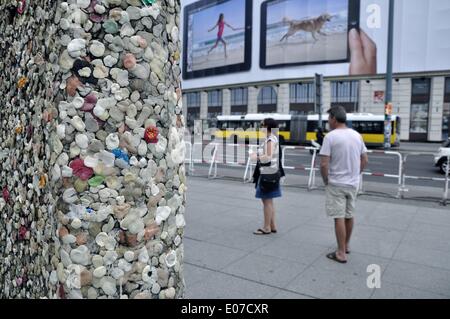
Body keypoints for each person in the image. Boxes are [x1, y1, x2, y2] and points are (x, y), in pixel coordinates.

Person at [319, 106, 368, 263]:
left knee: (338, 217)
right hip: (353, 183)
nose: (328, 122)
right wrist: (355, 174)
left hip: (336, 183)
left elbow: (324, 164)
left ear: (333, 118)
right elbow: (365, 159)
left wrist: (326, 181)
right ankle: (346, 245)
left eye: (328, 119)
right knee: (349, 214)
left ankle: (340, 253)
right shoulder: (356, 135)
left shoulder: (330, 137)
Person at [251, 118, 285, 235]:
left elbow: (268, 157)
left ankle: (266, 228)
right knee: (269, 201)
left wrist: (256, 156)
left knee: (266, 201)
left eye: (261, 125)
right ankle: (272, 225)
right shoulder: (271, 138)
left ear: (267, 126)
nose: (260, 127)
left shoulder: (270, 140)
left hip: (267, 174)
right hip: (270, 173)